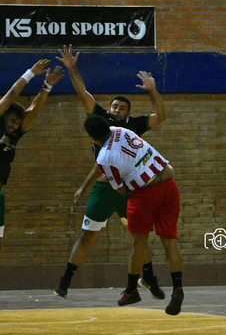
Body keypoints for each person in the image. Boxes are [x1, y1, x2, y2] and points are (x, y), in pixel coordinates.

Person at [54, 45, 167, 300]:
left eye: (121, 108)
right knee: (88, 235)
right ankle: (65, 280)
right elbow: (82, 92)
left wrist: (152, 91)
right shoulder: (100, 120)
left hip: (130, 189)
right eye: (114, 106)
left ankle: (147, 277)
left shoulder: (134, 126)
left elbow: (160, 116)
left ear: (128, 113)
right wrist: (72, 68)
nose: (116, 110)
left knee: (140, 239)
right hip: (105, 188)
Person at [0, 59, 65, 315]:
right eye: (13, 118)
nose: (16, 122)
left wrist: (47, 87)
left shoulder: (17, 132)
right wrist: (30, 74)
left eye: (19, 120)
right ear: (4, 115)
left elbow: (33, 110)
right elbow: (12, 95)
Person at [84, 115, 184, 315]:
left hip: (146, 193)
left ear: (93, 139)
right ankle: (178, 289)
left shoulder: (104, 157)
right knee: (170, 242)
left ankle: (131, 290)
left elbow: (120, 189)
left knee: (139, 243)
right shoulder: (122, 131)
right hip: (169, 183)